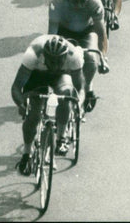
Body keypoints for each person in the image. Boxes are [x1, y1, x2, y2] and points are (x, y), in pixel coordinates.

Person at [11, 35, 84, 173]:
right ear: (44, 55)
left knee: (66, 94)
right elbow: (16, 87)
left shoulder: (73, 56)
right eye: (51, 61)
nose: (55, 65)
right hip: (37, 76)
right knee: (33, 113)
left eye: (59, 61)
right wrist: (22, 104)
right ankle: (26, 153)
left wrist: (78, 104)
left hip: (61, 77)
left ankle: (61, 137)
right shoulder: (32, 55)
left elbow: (80, 88)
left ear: (65, 57)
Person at [47, 0, 107, 113]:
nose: (79, 5)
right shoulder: (57, 1)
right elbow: (52, 33)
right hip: (63, 30)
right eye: (75, 1)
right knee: (59, 56)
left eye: (82, 1)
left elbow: (100, 32)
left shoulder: (94, 1)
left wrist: (102, 56)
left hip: (87, 30)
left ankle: (88, 86)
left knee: (92, 58)